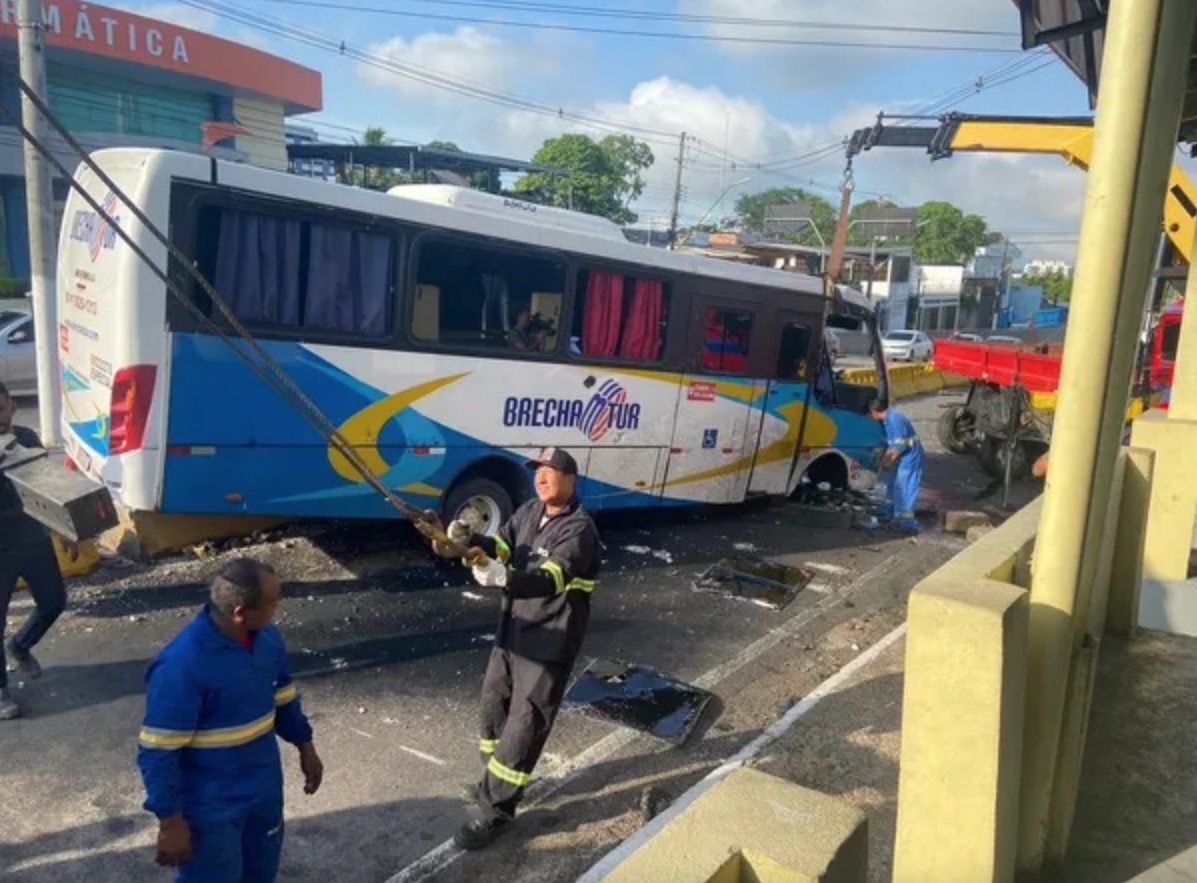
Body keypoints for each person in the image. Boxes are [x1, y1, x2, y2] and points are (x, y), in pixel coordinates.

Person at [433, 446, 601, 850]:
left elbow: (549, 579)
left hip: (549, 641)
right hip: (514, 630)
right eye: (538, 471)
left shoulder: (579, 531)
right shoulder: (528, 512)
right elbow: (504, 547)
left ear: (571, 479)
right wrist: (467, 539)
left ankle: (496, 812)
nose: (541, 478)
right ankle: (491, 781)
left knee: (525, 723)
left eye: (551, 471)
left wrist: (502, 578)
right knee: (494, 704)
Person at [136, 558, 324, 882]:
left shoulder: (268, 640)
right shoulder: (182, 666)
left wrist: (306, 746)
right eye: (272, 602)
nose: (278, 607)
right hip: (210, 808)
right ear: (240, 613)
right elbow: (158, 751)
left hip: (263, 790)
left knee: (260, 873)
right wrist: (170, 822)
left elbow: (284, 698)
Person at [0, 380, 70, 720]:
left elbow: (50, 490)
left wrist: (67, 531)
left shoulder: (27, 438)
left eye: (1, 408)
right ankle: (0, 691)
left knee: (54, 601)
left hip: (33, 538)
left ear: (12, 406)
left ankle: (20, 645)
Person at [868, 398, 925, 534]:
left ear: (874, 412)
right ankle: (888, 511)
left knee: (903, 489)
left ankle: (905, 523)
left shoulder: (894, 420)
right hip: (902, 456)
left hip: (909, 458)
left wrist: (886, 463)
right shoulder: (888, 420)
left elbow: (900, 445)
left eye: (869, 415)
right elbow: (892, 443)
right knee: (891, 483)